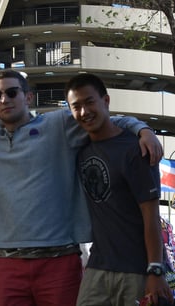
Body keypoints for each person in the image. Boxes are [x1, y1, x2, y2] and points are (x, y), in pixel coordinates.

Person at [0, 70, 163, 305]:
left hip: (60, 260)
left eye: (11, 92)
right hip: (9, 261)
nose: (4, 100)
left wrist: (143, 129)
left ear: (28, 97)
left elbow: (103, 119)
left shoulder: (57, 124)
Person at [66, 73, 173, 305]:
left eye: (90, 102)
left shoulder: (135, 149)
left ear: (106, 101)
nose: (84, 112)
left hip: (137, 269)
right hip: (98, 265)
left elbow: (151, 216)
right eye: (76, 106)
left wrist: (155, 269)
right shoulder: (79, 148)